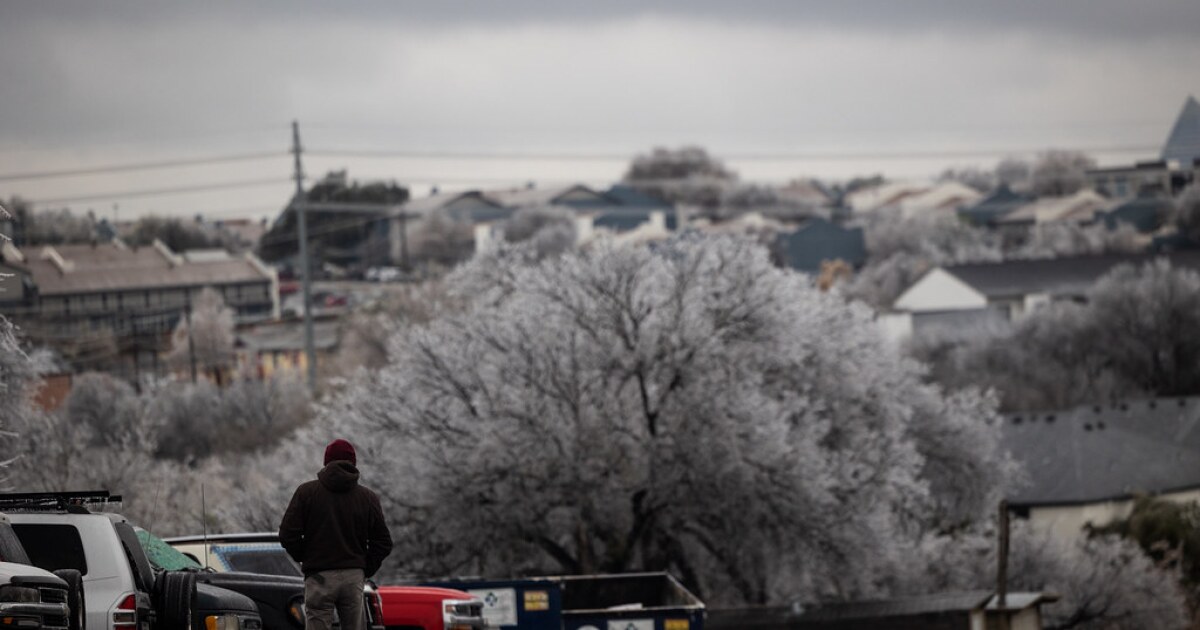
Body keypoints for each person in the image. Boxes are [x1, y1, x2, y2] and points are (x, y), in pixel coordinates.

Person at [279, 439, 393, 630]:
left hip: (319, 576)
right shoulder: (368, 498)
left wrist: (305, 557)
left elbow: (287, 534)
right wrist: (364, 568)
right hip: (353, 576)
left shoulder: (306, 492)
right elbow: (383, 542)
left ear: (326, 462)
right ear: (353, 463)